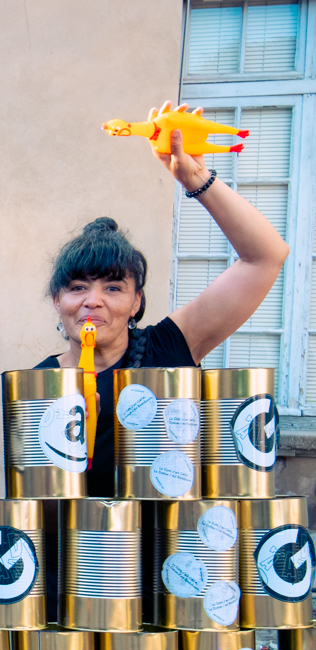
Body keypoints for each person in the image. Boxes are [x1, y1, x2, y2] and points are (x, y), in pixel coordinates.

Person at [38, 102, 290, 497]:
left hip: (172, 551)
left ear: (138, 301)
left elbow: (266, 257)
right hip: (87, 555)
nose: (93, 301)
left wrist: (196, 178)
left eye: (114, 288)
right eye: (77, 287)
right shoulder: (34, 386)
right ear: (57, 300)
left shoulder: (170, 346)